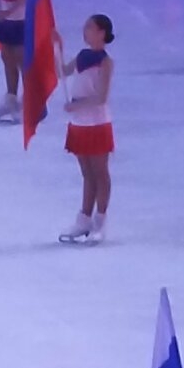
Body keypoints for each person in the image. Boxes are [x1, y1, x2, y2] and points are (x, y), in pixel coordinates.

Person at [56, 15, 116, 244]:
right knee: (87, 174)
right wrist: (57, 48)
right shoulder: (82, 56)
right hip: (79, 123)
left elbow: (101, 98)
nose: (85, 30)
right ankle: (84, 220)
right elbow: (62, 72)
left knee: (100, 173)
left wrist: (76, 105)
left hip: (97, 123)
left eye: (90, 27)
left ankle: (100, 222)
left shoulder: (106, 63)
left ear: (102, 33)